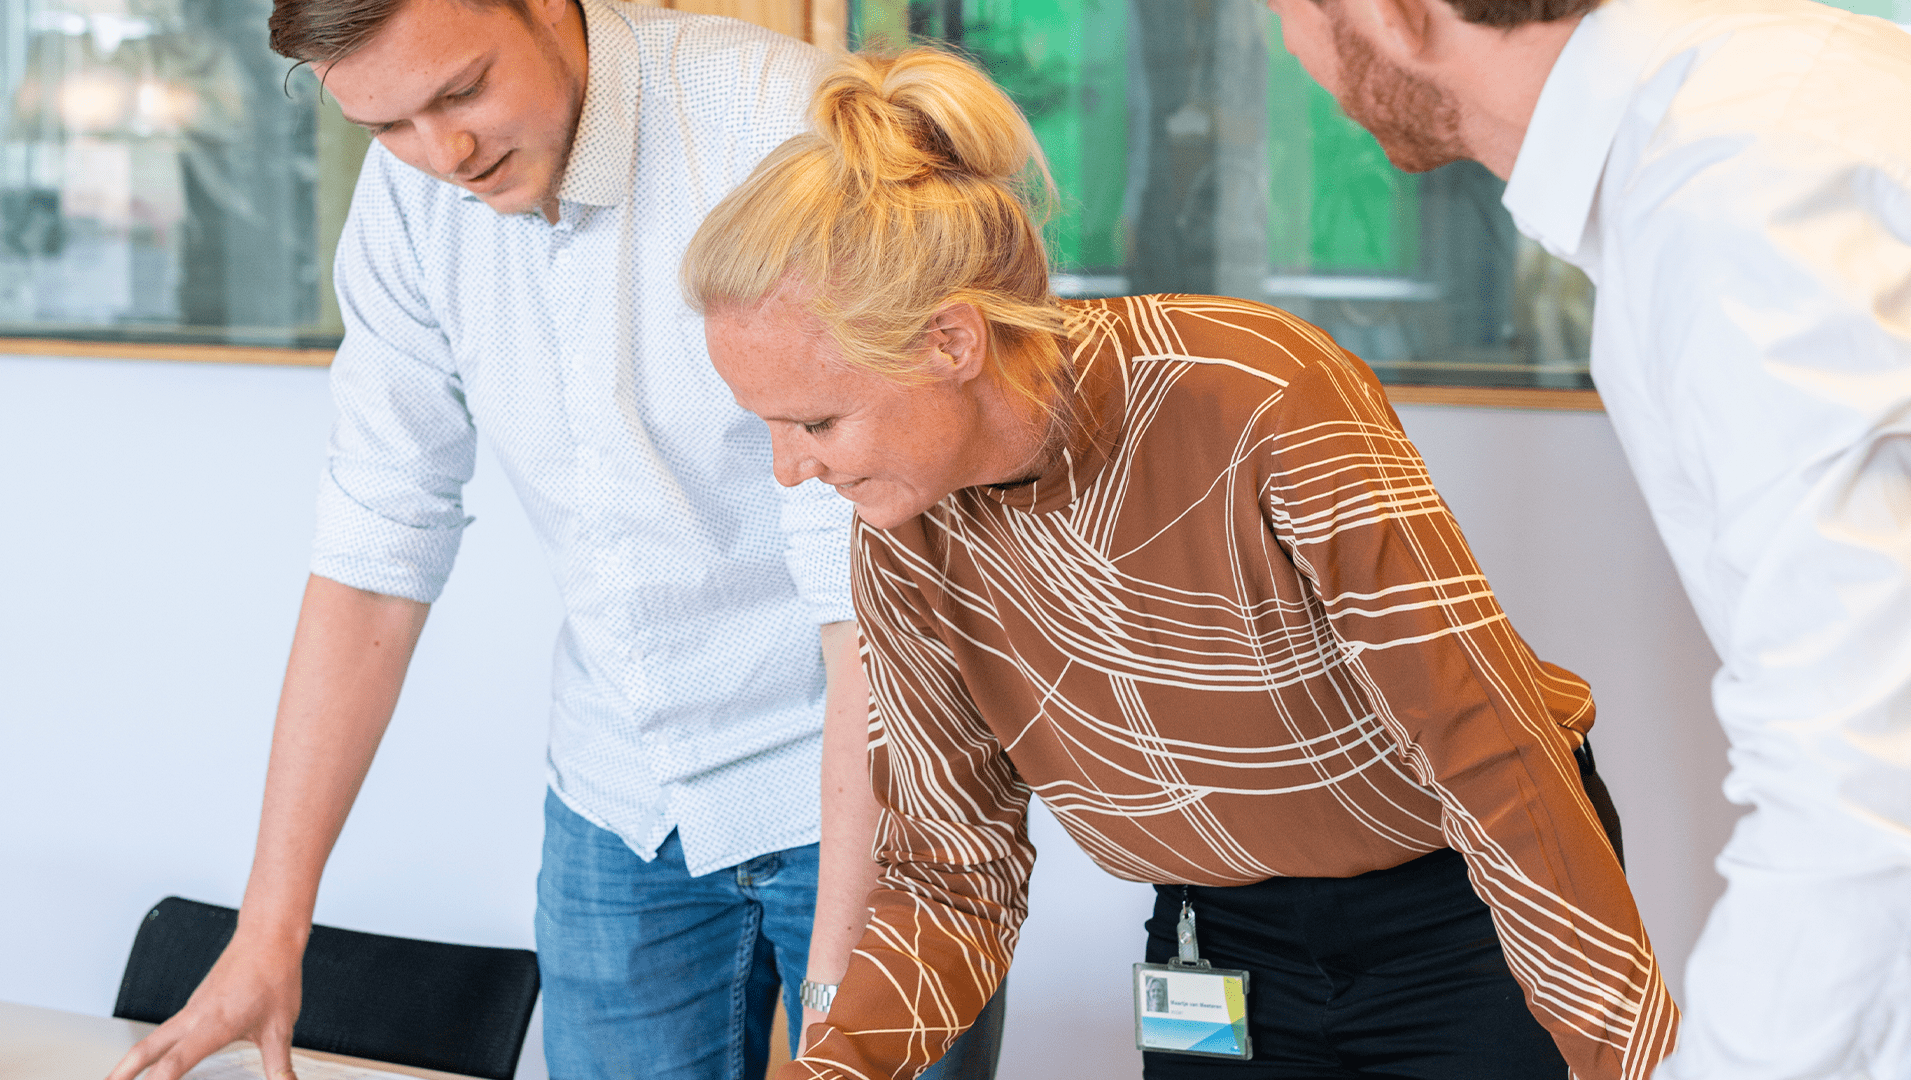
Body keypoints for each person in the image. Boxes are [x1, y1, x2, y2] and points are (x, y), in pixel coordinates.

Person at [682, 47, 1677, 1080]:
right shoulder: (902, 537)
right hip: (1215, 936)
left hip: (1461, 908)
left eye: (814, 421)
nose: (788, 471)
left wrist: (1624, 1055)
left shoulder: (1254, 397)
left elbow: (1490, 755)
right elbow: (951, 875)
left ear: (951, 341)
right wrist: (832, 1068)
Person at [97, 2, 1009, 1079]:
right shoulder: (410, 201)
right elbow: (375, 550)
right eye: (386, 126)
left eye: (461, 91)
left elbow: (863, 594)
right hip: (619, 804)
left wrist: (843, 992)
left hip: (865, 766)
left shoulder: (778, 125)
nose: (446, 155)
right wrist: (269, 930)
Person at [1257, 0, 1911, 1073]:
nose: (1287, 45)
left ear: (1388, 13)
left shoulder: (1740, 185)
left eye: (1278, 10)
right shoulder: (1766, 110)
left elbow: (1867, 780)